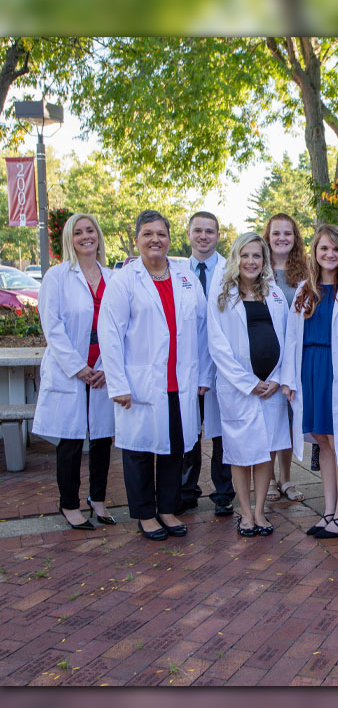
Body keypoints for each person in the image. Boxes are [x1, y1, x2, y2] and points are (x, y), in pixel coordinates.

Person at [99, 210, 213, 541]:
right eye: (147, 234)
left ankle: (167, 508)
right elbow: (110, 334)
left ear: (169, 239)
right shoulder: (124, 280)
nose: (155, 240)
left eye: (161, 234)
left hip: (181, 383)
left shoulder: (185, 278)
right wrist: (117, 383)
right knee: (139, 451)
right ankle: (146, 514)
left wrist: (204, 373)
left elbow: (204, 330)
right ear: (137, 239)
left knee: (173, 449)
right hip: (140, 383)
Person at [281, 223, 338, 539]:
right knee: (322, 439)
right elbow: (291, 339)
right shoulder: (305, 289)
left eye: (335, 249)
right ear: (315, 253)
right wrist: (289, 379)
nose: (329, 254)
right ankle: (329, 509)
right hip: (310, 370)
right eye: (323, 248)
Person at [33, 213, 115, 529]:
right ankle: (69, 503)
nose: (85, 236)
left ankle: (99, 499)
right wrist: (78, 367)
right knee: (70, 440)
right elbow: (51, 327)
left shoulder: (113, 276)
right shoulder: (57, 276)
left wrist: (107, 366)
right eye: (78, 232)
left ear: (98, 235)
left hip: (102, 370)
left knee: (102, 438)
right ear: (70, 238)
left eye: (90, 230)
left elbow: (122, 325)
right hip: (71, 371)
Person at [207, 232, 291, 537]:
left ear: (264, 260)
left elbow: (288, 338)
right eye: (245, 255)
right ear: (235, 259)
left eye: (257, 255)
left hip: (271, 389)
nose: (251, 261)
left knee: (266, 451)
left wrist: (277, 378)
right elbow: (217, 346)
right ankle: (245, 513)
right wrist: (248, 383)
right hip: (240, 390)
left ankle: (260, 512)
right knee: (241, 453)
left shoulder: (275, 294)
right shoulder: (222, 295)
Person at [179, 211, 234, 517]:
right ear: (189, 234)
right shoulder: (176, 271)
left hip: (221, 365)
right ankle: (187, 490)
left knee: (221, 432)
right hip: (187, 365)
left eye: (209, 231)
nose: (203, 236)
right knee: (189, 430)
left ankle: (224, 492)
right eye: (197, 230)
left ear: (217, 235)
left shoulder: (231, 270)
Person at [264, 213, 308, 504]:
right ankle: (266, 480)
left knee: (290, 418)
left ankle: (286, 478)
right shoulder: (257, 267)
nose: (282, 238)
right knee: (269, 419)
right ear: (267, 236)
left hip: (296, 353)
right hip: (266, 354)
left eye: (288, 234)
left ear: (295, 238)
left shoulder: (304, 272)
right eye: (276, 233)